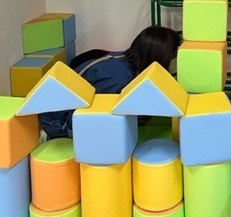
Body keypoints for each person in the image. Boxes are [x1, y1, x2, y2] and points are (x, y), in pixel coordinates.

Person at [39, 25, 180, 139]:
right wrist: (131, 119)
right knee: (119, 133)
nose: (174, 59)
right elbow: (89, 116)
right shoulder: (119, 79)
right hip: (57, 119)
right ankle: (50, 136)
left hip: (67, 106)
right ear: (158, 58)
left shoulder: (129, 59)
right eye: (172, 56)